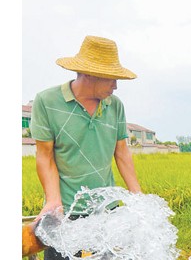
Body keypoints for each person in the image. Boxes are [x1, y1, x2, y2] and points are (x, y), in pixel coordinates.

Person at [30, 35, 142, 259]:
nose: (116, 86)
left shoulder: (115, 106)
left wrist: (138, 197)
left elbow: (121, 153)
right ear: (90, 73)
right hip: (66, 214)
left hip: (105, 213)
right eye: (111, 79)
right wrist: (53, 200)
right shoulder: (47, 102)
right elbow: (45, 156)